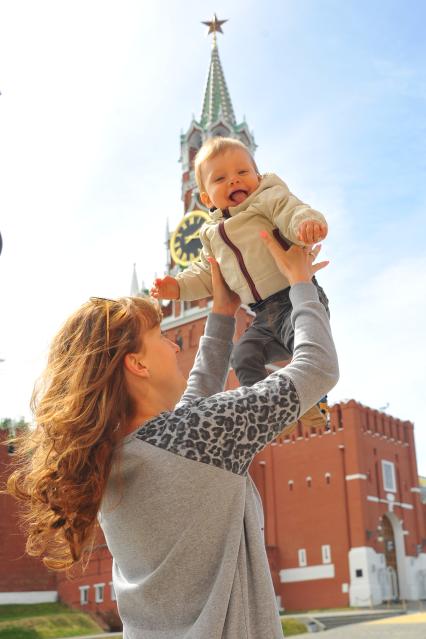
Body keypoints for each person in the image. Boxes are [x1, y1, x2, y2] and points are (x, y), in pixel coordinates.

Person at [7, 234, 338, 639]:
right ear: (137, 364)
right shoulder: (197, 436)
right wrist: (302, 283)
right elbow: (318, 368)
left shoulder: (113, 458)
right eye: (162, 337)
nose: (173, 343)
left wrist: (221, 311)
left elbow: (194, 407)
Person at [151, 136, 330, 427]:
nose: (234, 181)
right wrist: (178, 287)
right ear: (205, 198)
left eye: (242, 173)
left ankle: (315, 403)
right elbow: (206, 272)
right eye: (220, 178)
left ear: (258, 177)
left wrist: (306, 225)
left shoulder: (269, 200)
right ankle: (266, 411)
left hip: (293, 298)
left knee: (306, 348)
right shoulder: (211, 235)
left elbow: (293, 212)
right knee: (243, 355)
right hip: (261, 314)